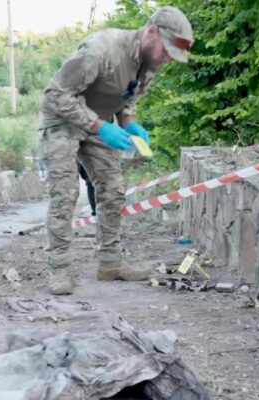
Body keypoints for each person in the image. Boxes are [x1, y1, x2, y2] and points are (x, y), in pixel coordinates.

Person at [38, 6, 194, 295]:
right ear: (150, 32)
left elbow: (129, 96)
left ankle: (110, 263)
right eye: (166, 51)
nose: (167, 59)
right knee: (64, 192)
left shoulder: (149, 62)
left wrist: (129, 122)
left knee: (112, 189)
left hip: (98, 121)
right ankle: (59, 269)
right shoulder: (102, 49)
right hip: (62, 120)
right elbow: (56, 95)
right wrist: (101, 127)